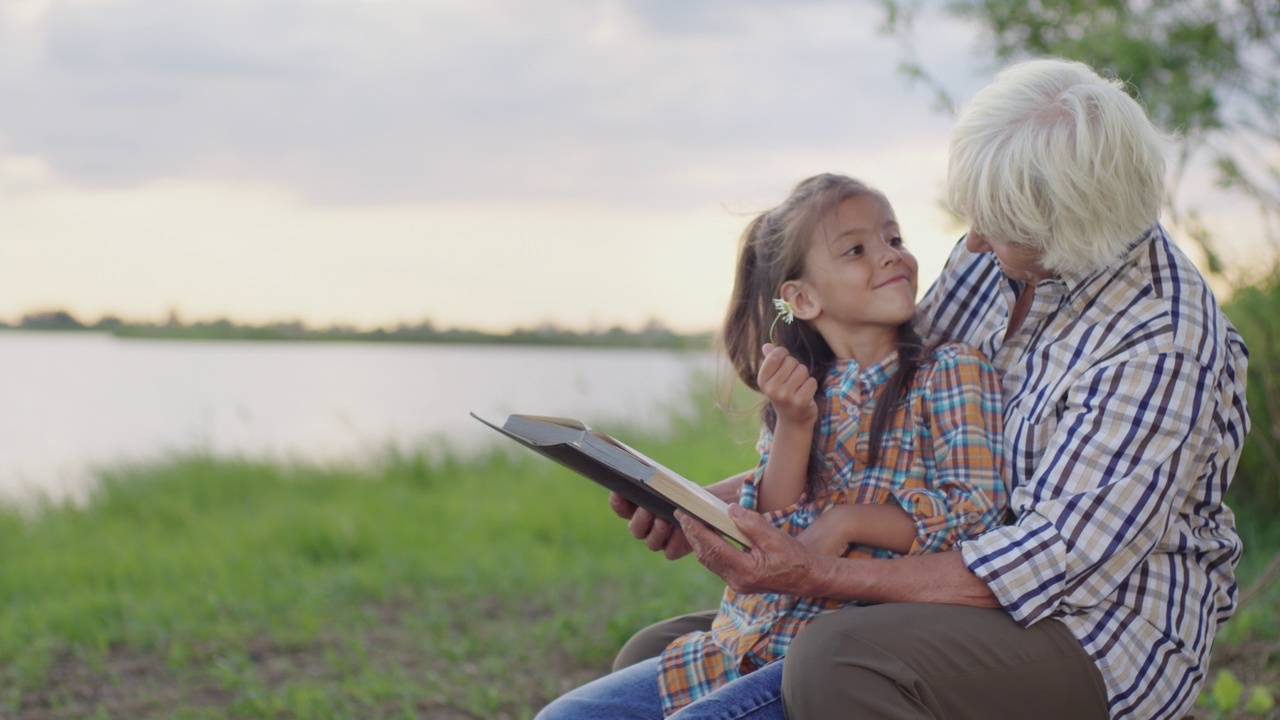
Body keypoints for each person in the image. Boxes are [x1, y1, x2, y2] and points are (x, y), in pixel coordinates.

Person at [615, 57, 1249, 720]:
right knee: (658, 656)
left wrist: (817, 568)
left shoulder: (1160, 340)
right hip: (944, 564)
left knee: (835, 660)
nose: (971, 238)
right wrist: (713, 509)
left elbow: (1044, 565)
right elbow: (882, 429)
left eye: (996, 224)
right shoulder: (994, 258)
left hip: (1096, 628)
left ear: (1068, 230)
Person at [536, 173, 1009, 719]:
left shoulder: (950, 371)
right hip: (751, 638)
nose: (890, 257)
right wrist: (794, 422)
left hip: (840, 649)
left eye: (894, 239)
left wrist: (850, 521)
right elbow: (778, 519)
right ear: (802, 298)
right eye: (857, 249)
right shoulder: (804, 386)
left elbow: (976, 513)